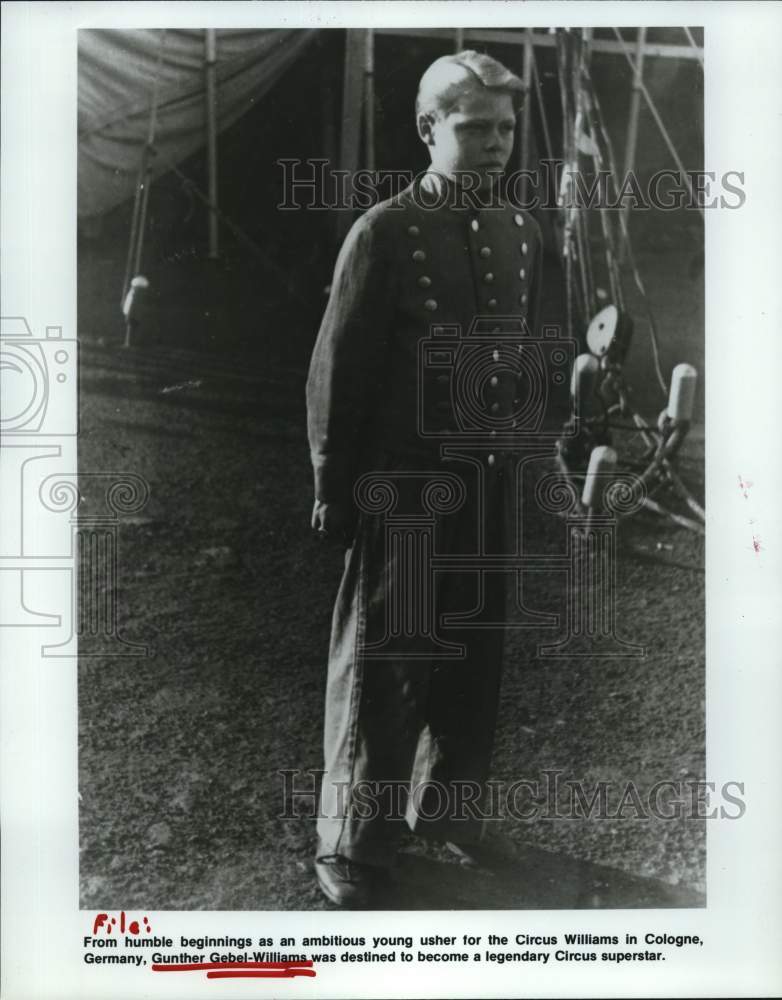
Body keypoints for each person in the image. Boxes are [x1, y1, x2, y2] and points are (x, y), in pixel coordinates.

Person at [306, 49, 544, 906]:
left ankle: (451, 811)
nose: (494, 145)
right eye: (475, 128)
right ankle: (355, 842)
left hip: (486, 482)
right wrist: (334, 482)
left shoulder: (522, 230)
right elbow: (339, 369)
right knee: (389, 661)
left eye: (505, 129)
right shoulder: (385, 233)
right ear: (428, 129)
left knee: (476, 654)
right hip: (404, 486)